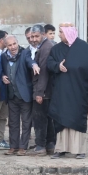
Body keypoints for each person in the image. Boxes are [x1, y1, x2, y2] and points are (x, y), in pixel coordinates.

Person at [47, 24, 88, 160]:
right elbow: (49, 64)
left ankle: (79, 150)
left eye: (61, 32)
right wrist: (57, 66)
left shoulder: (84, 48)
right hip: (61, 91)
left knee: (77, 118)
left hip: (79, 90)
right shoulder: (56, 49)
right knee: (61, 117)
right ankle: (61, 149)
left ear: (69, 32)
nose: (59, 35)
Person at [3, 35, 34, 155]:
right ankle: (13, 146)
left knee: (26, 122)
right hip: (11, 95)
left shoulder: (25, 53)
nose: (13, 47)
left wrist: (34, 65)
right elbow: (1, 70)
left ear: (18, 43)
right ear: (6, 46)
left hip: (24, 94)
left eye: (14, 44)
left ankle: (23, 147)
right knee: (13, 123)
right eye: (10, 45)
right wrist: (2, 76)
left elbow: (30, 61)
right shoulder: (4, 56)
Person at [28, 24, 54, 155]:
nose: (33, 39)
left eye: (36, 36)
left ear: (43, 34)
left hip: (43, 90)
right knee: (47, 119)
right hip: (46, 90)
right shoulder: (43, 46)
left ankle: (40, 146)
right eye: (32, 36)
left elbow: (43, 71)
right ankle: (49, 144)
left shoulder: (46, 47)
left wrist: (39, 92)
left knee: (40, 119)